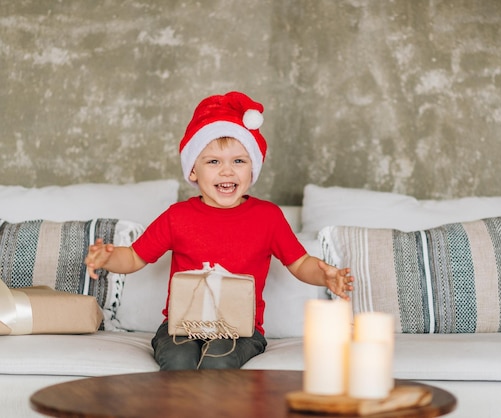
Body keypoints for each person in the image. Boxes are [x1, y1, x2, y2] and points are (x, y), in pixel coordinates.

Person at [84, 91, 354, 370]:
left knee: (219, 359)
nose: (227, 171)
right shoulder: (177, 216)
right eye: (213, 162)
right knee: (178, 359)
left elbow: (300, 263)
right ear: (193, 171)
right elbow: (133, 257)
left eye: (239, 161)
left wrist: (324, 274)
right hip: (181, 327)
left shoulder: (268, 217)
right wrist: (108, 258)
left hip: (241, 330)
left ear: (252, 170)